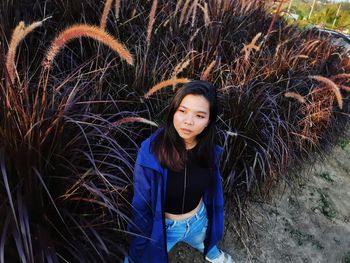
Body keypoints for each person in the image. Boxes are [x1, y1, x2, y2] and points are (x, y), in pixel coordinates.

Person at [124, 80, 233, 263]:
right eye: (182, 111)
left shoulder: (209, 151)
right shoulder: (151, 153)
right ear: (173, 110)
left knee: (205, 241)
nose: (188, 122)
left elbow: (212, 191)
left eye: (199, 115)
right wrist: (138, 247)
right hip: (165, 228)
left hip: (198, 221)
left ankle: (211, 251)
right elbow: (141, 206)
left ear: (208, 121)